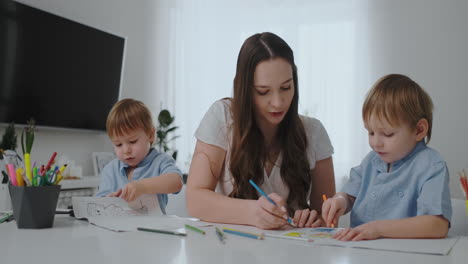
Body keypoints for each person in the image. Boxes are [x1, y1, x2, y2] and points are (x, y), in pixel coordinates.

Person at [186, 32, 336, 229]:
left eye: (285, 88)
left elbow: (327, 217)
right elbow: (195, 200)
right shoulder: (222, 117)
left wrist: (317, 220)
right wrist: (252, 212)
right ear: (245, 89)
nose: (278, 102)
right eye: (263, 91)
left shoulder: (313, 132)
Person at [322, 74, 452, 241]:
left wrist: (378, 228)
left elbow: (437, 225)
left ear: (419, 130)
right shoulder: (371, 160)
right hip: (362, 253)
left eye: (388, 134)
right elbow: (350, 195)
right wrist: (339, 201)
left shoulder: (431, 166)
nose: (376, 143)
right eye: (371, 132)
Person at [96, 98, 183, 213]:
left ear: (150, 135)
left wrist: (143, 186)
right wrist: (108, 201)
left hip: (153, 229)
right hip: (118, 229)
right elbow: (99, 203)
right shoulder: (110, 169)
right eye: (118, 144)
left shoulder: (160, 161)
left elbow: (176, 182)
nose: (126, 150)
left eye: (132, 142)